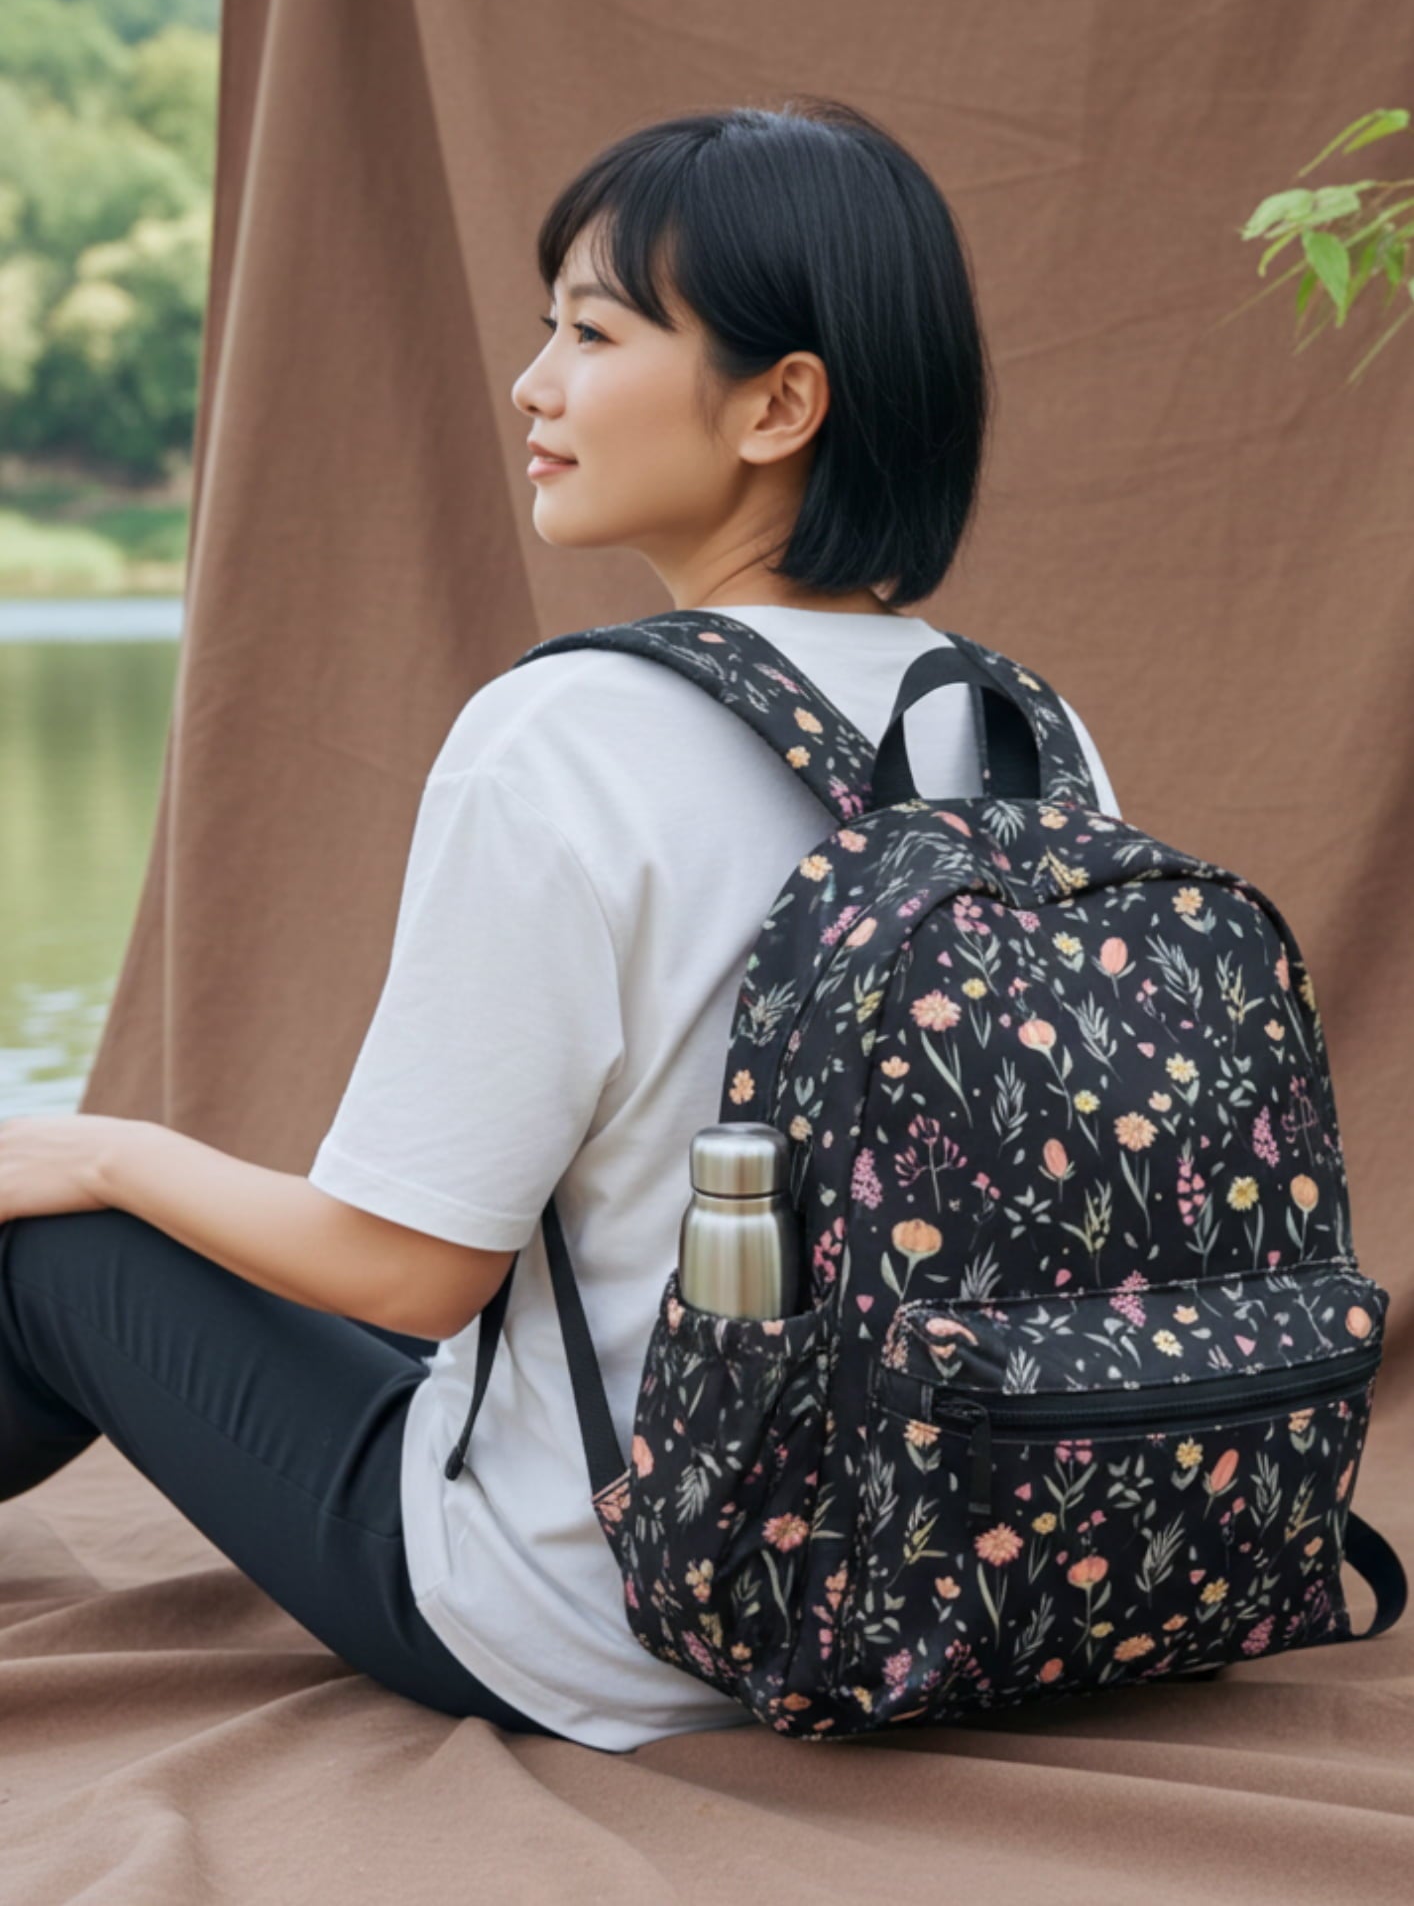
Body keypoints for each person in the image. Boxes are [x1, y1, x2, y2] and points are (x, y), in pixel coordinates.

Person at [0, 98, 1119, 1751]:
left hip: (610, 1618)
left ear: (777, 403)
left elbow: (407, 1275)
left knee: (58, 1248)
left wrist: (99, 1153)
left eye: (592, 332)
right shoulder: (1028, 732)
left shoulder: (566, 735)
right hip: (958, 1575)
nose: (533, 383)